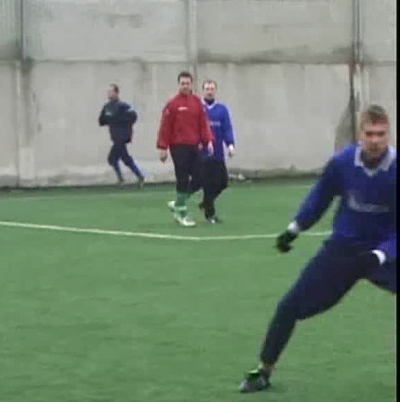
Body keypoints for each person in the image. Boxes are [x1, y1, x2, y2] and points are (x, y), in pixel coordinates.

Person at [239, 104, 396, 393]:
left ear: (389, 135)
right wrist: (294, 228)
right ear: (360, 134)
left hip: (384, 253)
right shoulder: (342, 163)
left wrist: (381, 254)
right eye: (369, 133)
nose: (375, 140)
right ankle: (263, 371)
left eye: (381, 134)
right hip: (344, 251)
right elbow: (320, 197)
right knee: (289, 307)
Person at [157, 71, 214, 227]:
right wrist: (162, 147)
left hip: (194, 146)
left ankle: (178, 203)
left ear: (191, 84)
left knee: (200, 177)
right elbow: (165, 127)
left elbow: (203, 124)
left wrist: (208, 140)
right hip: (178, 146)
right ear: (179, 85)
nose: (185, 86)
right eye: (182, 83)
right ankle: (181, 213)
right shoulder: (172, 104)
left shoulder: (197, 103)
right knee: (182, 178)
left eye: (187, 83)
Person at [192, 79, 236, 223]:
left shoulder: (222, 109)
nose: (209, 92)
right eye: (207, 89)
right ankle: (210, 214)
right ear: (203, 91)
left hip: (218, 153)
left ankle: (205, 203)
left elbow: (227, 128)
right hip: (202, 153)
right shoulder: (198, 108)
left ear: (215, 91)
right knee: (207, 184)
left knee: (223, 182)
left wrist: (230, 145)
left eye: (212, 89)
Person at [98, 84, 144, 187]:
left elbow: (133, 117)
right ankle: (139, 176)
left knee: (112, 158)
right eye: (108, 92)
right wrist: (108, 119)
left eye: (111, 91)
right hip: (115, 137)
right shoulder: (107, 107)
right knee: (125, 158)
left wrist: (119, 120)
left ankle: (122, 179)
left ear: (116, 93)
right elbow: (101, 120)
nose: (109, 94)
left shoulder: (123, 106)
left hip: (122, 137)